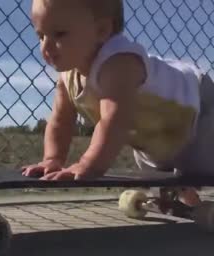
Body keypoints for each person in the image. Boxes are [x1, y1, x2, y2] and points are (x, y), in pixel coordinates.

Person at [21, 0, 214, 206]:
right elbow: (60, 122)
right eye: (40, 36)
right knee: (157, 169)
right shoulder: (68, 76)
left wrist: (88, 164)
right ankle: (186, 200)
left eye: (59, 34)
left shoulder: (118, 63)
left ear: (102, 30)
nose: (46, 47)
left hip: (198, 104)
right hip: (158, 132)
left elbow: (114, 121)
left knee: (203, 165)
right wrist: (52, 159)